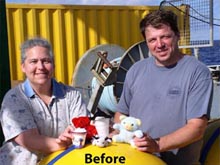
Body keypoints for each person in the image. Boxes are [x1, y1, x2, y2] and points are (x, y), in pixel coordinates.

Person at [113, 9, 213, 165]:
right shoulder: (135, 70)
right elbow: (121, 113)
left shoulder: (197, 72)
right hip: (138, 160)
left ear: (177, 35)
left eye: (165, 37)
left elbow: (197, 128)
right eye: (152, 40)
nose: (159, 45)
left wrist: (157, 145)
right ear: (146, 42)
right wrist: (121, 133)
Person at [0, 37, 89, 164]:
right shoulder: (14, 99)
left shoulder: (72, 95)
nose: (40, 67)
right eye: (33, 61)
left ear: (53, 65)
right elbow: (29, 139)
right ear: (23, 67)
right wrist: (62, 143)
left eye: (46, 61)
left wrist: (75, 134)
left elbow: (83, 128)